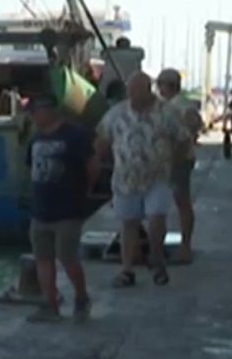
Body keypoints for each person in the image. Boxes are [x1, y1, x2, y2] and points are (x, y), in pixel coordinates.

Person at [95, 71, 191, 288]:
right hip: (125, 178)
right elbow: (102, 138)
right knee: (128, 224)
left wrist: (175, 165)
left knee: (156, 216)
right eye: (131, 92)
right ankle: (127, 269)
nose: (134, 96)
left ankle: (156, 257)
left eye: (138, 91)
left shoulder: (167, 113)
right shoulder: (117, 113)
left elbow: (183, 140)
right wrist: (95, 162)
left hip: (158, 177)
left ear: (149, 90)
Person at [24, 93, 99, 322]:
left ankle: (81, 296)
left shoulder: (75, 136)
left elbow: (92, 165)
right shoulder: (35, 139)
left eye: (35, 112)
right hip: (41, 210)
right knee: (43, 259)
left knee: (67, 257)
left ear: (48, 110)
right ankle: (50, 304)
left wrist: (86, 189)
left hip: (68, 209)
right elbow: (31, 169)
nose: (33, 117)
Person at [156, 67, 204, 263]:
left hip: (179, 161)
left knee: (181, 203)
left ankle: (185, 247)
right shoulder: (171, 105)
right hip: (168, 160)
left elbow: (194, 125)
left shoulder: (180, 106)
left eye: (159, 84)